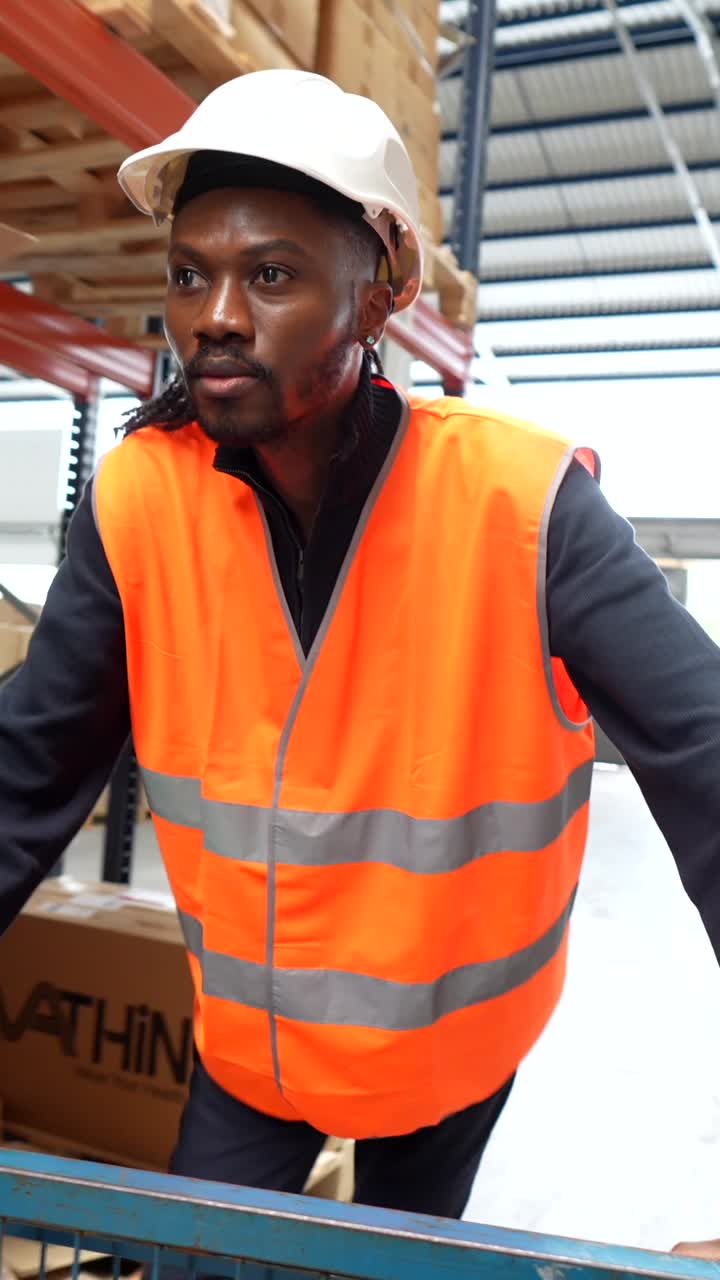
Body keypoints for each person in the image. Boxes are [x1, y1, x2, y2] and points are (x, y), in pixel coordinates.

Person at [1, 68, 720, 1223]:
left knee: (396, 1259)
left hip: (449, 1052)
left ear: (380, 289)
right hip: (253, 1050)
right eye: (191, 275)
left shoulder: (521, 505)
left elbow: (709, 762)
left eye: (271, 274)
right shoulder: (142, 499)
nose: (216, 314)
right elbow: (23, 772)